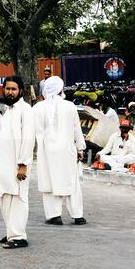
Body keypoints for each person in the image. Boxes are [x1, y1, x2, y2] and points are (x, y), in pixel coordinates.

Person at [0, 76, 35, 249]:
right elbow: (3, 128)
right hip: (5, 163)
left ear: (20, 90)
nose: (10, 92)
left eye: (13, 89)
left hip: (17, 164)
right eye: (7, 88)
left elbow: (29, 138)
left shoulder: (26, 110)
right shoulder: (9, 110)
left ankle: (19, 236)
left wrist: (23, 164)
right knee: (5, 196)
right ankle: (11, 232)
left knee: (18, 198)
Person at [33, 76, 87, 226]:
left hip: (46, 152)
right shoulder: (70, 106)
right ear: (60, 89)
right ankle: (78, 215)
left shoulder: (37, 108)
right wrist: (80, 149)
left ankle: (54, 216)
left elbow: (31, 131)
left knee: (49, 183)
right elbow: (77, 129)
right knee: (71, 182)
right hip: (67, 151)